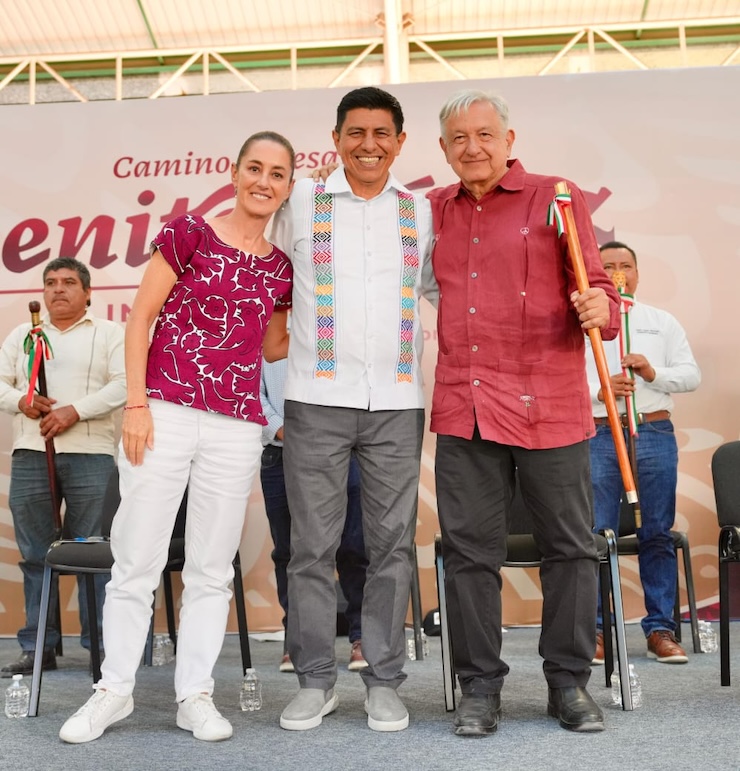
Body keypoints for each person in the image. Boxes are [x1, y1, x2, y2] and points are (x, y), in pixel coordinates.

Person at [59, 131, 295, 744]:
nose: (264, 181)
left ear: (288, 188)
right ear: (235, 173)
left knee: (212, 568)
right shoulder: (189, 233)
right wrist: (136, 405)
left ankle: (195, 695)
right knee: (136, 559)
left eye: (277, 174)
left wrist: (338, 314)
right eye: (254, 168)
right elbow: (140, 318)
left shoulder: (280, 267)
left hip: (237, 425)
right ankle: (113, 691)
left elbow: (272, 346)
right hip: (162, 409)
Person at [428, 89, 620, 736]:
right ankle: (479, 688)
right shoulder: (434, 209)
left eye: (485, 134)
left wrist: (602, 306)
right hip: (465, 403)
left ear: (509, 140)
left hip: (550, 403)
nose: (473, 148)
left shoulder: (556, 196)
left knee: (570, 548)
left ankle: (568, 683)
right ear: (443, 149)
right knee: (468, 554)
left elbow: (597, 286)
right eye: (459, 138)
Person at [270, 86, 437, 733]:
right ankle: (315, 680)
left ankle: (384, 682)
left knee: (391, 548)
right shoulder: (300, 201)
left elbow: (444, 291)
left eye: (381, 133)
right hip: (316, 399)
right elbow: (262, 276)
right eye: (356, 133)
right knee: (311, 547)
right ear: (336, 139)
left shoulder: (421, 211)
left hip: (396, 401)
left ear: (400, 141)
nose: (369, 145)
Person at [0, 258, 126, 678]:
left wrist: (75, 411)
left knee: (94, 554)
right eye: (51, 282)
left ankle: (101, 648)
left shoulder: (108, 333)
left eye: (69, 282)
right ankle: (38, 647)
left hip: (91, 455)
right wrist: (21, 401)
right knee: (37, 556)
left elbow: (126, 384)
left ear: (87, 293)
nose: (58, 289)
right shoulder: (24, 335)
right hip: (32, 453)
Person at [587, 241, 701, 666]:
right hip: (599, 432)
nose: (619, 272)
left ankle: (660, 629)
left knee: (656, 531)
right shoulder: (582, 323)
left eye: (626, 265)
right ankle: (596, 629)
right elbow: (559, 383)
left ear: (637, 273)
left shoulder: (660, 321)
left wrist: (654, 373)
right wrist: (600, 392)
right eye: (608, 266)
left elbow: (690, 376)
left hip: (652, 431)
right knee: (595, 534)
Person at [259, 355, 369, 673]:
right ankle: (299, 640)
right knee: (290, 553)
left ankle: (362, 637)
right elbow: (250, 392)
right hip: (280, 454)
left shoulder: (334, 327)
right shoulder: (264, 331)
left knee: (353, 548)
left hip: (342, 450)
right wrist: (283, 431)